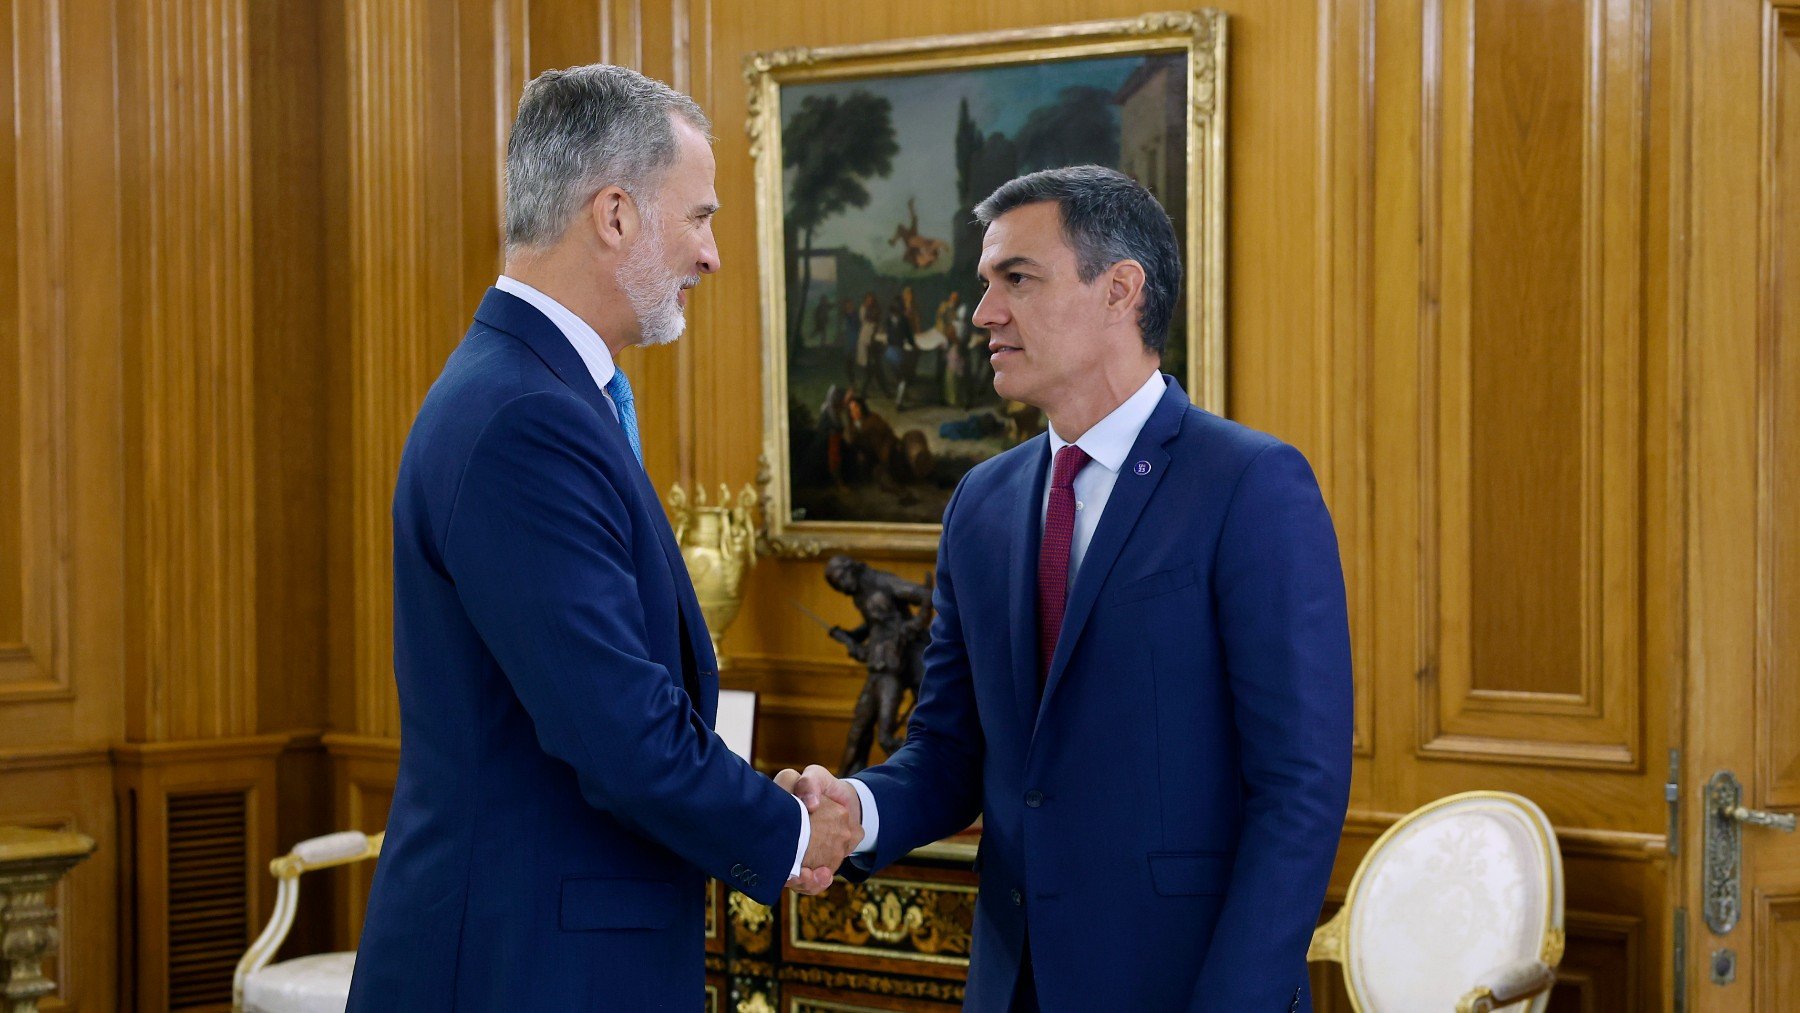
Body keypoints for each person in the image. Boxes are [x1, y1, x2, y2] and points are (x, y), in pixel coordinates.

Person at [347, 65, 860, 1011]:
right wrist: (791, 831)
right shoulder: (523, 418)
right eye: (699, 216)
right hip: (520, 969)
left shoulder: (537, 394)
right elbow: (619, 732)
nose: (711, 256)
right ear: (615, 214)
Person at [784, 165, 1353, 1011]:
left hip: (1187, 988)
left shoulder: (1251, 485)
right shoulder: (980, 503)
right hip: (1015, 986)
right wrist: (852, 810)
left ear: (1121, 289)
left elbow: (1299, 789)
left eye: (1016, 279)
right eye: (985, 284)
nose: (983, 314)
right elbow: (950, 753)